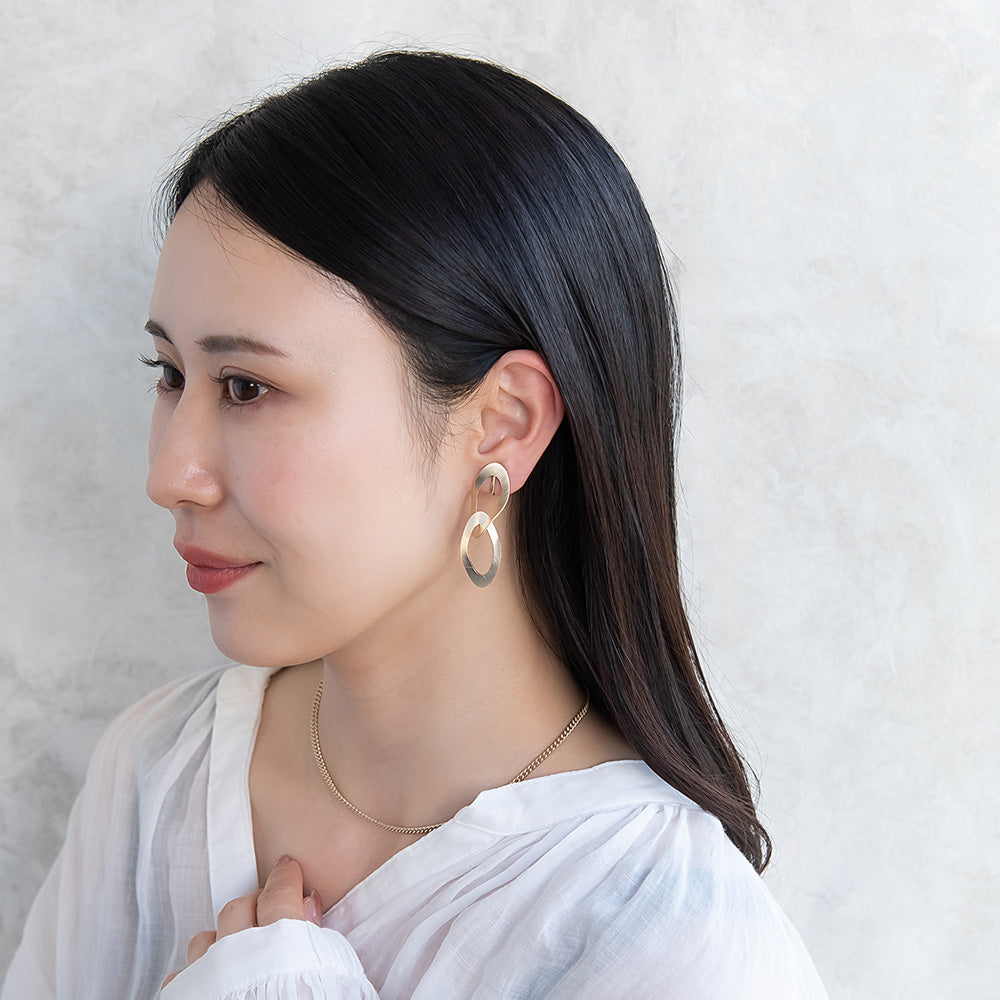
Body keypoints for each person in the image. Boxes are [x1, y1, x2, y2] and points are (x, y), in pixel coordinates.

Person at [2, 50, 826, 999]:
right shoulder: (158, 774)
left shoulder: (678, 941)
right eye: (171, 375)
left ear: (502, 422)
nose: (169, 476)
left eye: (247, 387)